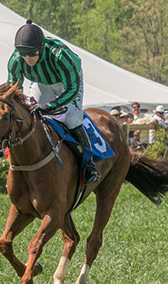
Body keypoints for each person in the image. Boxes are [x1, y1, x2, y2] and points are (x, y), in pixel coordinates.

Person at [8, 20, 99, 184]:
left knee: (71, 119)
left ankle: (89, 165)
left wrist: (49, 106)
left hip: (68, 83)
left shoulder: (60, 56)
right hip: (42, 84)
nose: (28, 59)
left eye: (32, 54)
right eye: (24, 54)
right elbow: (13, 90)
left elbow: (72, 90)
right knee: (30, 114)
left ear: (41, 48)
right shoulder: (16, 60)